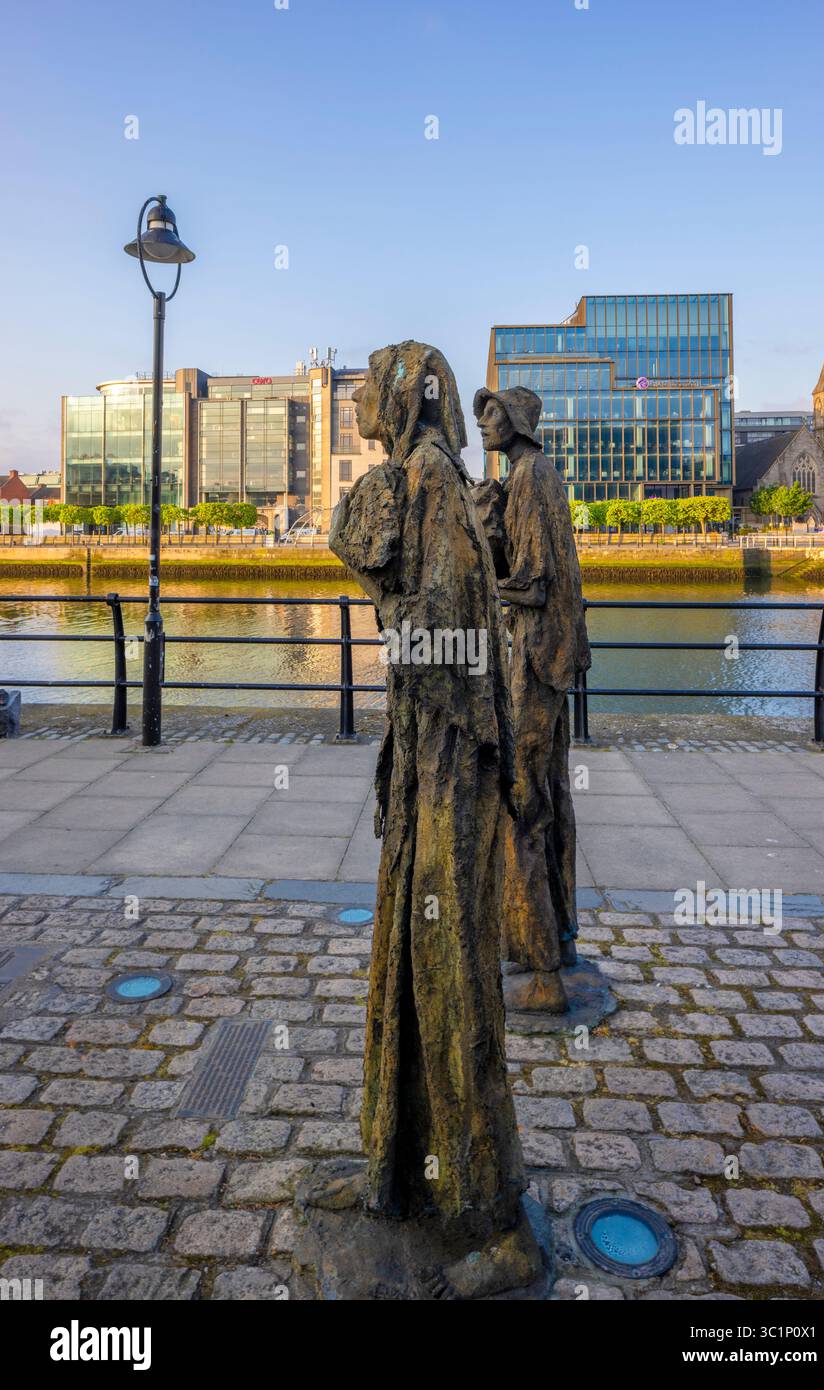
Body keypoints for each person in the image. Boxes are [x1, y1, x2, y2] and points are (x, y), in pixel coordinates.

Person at [321, 342, 530, 1274]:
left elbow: (445, 635)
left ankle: (493, 1219)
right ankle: (397, 1166)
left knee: (451, 978)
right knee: (408, 960)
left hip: (448, 770)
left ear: (404, 397)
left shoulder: (433, 478)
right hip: (422, 766)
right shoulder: (416, 476)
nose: (360, 396)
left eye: (371, 382)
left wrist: (371, 575)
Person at [474, 385, 592, 1013]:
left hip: (537, 656)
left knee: (522, 798)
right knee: (551, 792)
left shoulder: (528, 476)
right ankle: (561, 938)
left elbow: (535, 582)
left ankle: (540, 968)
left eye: (491, 415)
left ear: (515, 421)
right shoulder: (534, 473)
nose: (484, 426)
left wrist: (481, 567)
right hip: (555, 655)